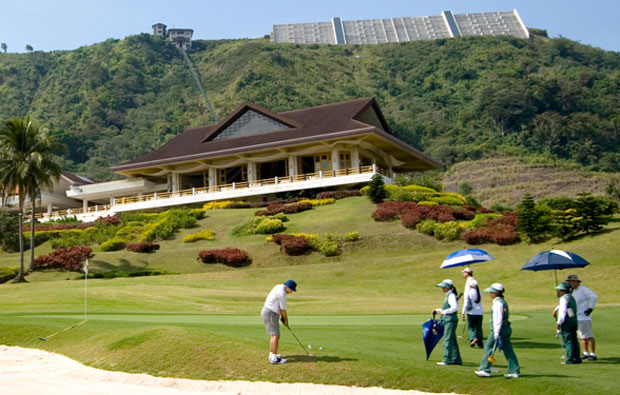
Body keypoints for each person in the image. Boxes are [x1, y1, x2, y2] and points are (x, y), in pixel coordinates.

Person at [475, 283, 520, 378]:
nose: (490, 293)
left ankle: (485, 369)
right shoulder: (502, 301)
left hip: (499, 330)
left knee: (488, 347)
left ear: (496, 293)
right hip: (506, 329)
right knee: (508, 350)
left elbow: (498, 319)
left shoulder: (497, 303)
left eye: (492, 292)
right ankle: (514, 371)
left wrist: (496, 332)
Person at [261, 279, 296, 364]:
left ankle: (272, 355)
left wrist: (282, 319)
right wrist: (286, 321)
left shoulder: (278, 286)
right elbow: (283, 310)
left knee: (274, 335)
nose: (290, 292)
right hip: (270, 313)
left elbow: (279, 307)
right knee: (275, 335)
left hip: (268, 311)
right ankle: (273, 359)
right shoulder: (282, 293)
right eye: (291, 290)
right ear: (288, 288)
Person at [566, 274, 598, 361]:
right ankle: (585, 353)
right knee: (581, 336)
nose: (570, 283)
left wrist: (590, 308)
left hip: (584, 317)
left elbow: (594, 297)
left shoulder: (583, 289)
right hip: (577, 316)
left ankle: (593, 354)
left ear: (576, 282)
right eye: (569, 282)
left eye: (571, 281)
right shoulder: (572, 291)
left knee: (588, 336)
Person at [432, 279, 462, 365]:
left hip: (450, 320)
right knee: (452, 340)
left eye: (443, 287)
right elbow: (447, 308)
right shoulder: (449, 295)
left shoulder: (451, 295)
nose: (442, 288)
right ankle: (456, 359)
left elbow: (454, 308)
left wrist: (444, 312)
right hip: (448, 319)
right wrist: (437, 310)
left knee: (447, 339)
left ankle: (447, 359)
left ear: (448, 287)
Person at [555, 282, 581, 364]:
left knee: (568, 341)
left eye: (559, 290)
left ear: (563, 291)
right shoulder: (571, 297)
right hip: (574, 321)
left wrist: (559, 323)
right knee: (574, 340)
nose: (557, 292)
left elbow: (562, 312)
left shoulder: (563, 298)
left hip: (567, 322)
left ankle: (569, 359)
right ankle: (577, 358)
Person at [462, 268, 484, 348]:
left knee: (471, 326)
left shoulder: (470, 292)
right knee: (478, 328)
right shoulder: (479, 293)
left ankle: (473, 338)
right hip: (480, 312)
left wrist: (463, 312)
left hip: (471, 312)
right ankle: (480, 342)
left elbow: (466, 302)